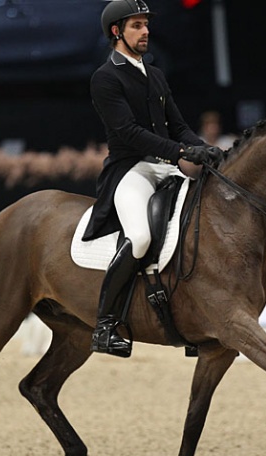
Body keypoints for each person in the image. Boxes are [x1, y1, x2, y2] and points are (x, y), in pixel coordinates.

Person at [82, 0, 223, 358]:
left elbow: (178, 125)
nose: (145, 32)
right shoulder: (105, 78)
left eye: (146, 25)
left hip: (166, 167)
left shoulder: (155, 74)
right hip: (131, 170)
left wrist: (204, 148)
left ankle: (195, 321)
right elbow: (128, 132)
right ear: (117, 32)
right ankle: (106, 324)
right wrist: (180, 152)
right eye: (136, 26)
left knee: (200, 224)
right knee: (141, 237)